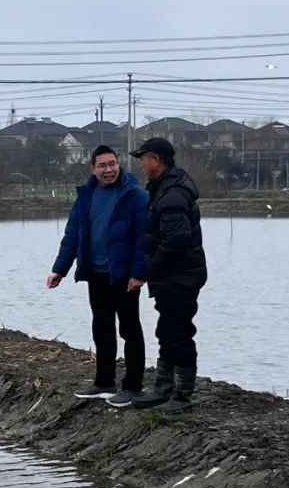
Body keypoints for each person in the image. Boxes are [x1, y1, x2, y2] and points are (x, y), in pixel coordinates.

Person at [47, 144, 148, 407]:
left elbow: (144, 240)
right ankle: (104, 382)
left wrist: (138, 274)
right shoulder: (86, 197)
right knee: (101, 327)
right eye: (102, 165)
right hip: (96, 273)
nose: (108, 170)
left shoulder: (135, 196)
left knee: (130, 329)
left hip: (124, 275)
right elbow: (72, 236)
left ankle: (133, 387)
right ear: (93, 169)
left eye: (112, 164)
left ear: (119, 164)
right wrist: (60, 269)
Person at [129, 137, 207, 412]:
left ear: (157, 160)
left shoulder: (172, 194)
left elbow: (175, 241)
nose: (140, 165)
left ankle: (182, 395)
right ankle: (163, 388)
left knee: (179, 333)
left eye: (143, 159)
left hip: (180, 276)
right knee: (166, 331)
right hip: (172, 276)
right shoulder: (163, 188)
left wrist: (149, 270)